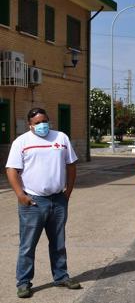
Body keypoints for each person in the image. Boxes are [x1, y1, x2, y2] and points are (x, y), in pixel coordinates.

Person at [5, 108, 81, 299]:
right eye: (37, 122)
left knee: (58, 243)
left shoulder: (61, 138)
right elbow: (11, 170)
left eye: (44, 121)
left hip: (58, 200)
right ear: (30, 124)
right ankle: (23, 282)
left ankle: (61, 276)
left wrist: (68, 192)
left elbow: (71, 165)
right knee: (27, 245)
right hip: (33, 202)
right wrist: (20, 195)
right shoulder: (21, 142)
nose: (42, 125)